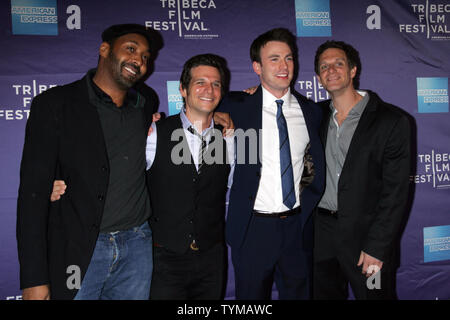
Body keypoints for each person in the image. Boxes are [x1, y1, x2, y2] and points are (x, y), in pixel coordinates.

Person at [16, 24, 162, 300]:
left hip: (137, 245)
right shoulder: (55, 103)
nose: (139, 60)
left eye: (145, 56)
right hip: (80, 247)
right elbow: (32, 195)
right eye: (131, 49)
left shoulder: (145, 102)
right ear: (104, 49)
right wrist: (34, 277)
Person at [217, 28, 325, 299]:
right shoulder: (235, 105)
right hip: (253, 229)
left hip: (297, 228)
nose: (284, 66)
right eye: (274, 59)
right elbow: (193, 112)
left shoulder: (311, 111)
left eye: (289, 58)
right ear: (257, 66)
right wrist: (157, 124)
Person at [312, 40, 411, 300]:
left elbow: (395, 193)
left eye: (338, 64)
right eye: (324, 66)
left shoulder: (392, 121)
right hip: (320, 237)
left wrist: (377, 247)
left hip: (368, 240)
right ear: (319, 77)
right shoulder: (314, 115)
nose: (331, 70)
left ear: (353, 70)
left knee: (376, 297)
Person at [146, 54, 234, 300]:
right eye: (200, 82)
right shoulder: (154, 134)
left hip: (211, 259)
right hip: (164, 259)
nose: (209, 89)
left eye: (216, 84)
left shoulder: (229, 138)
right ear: (183, 90)